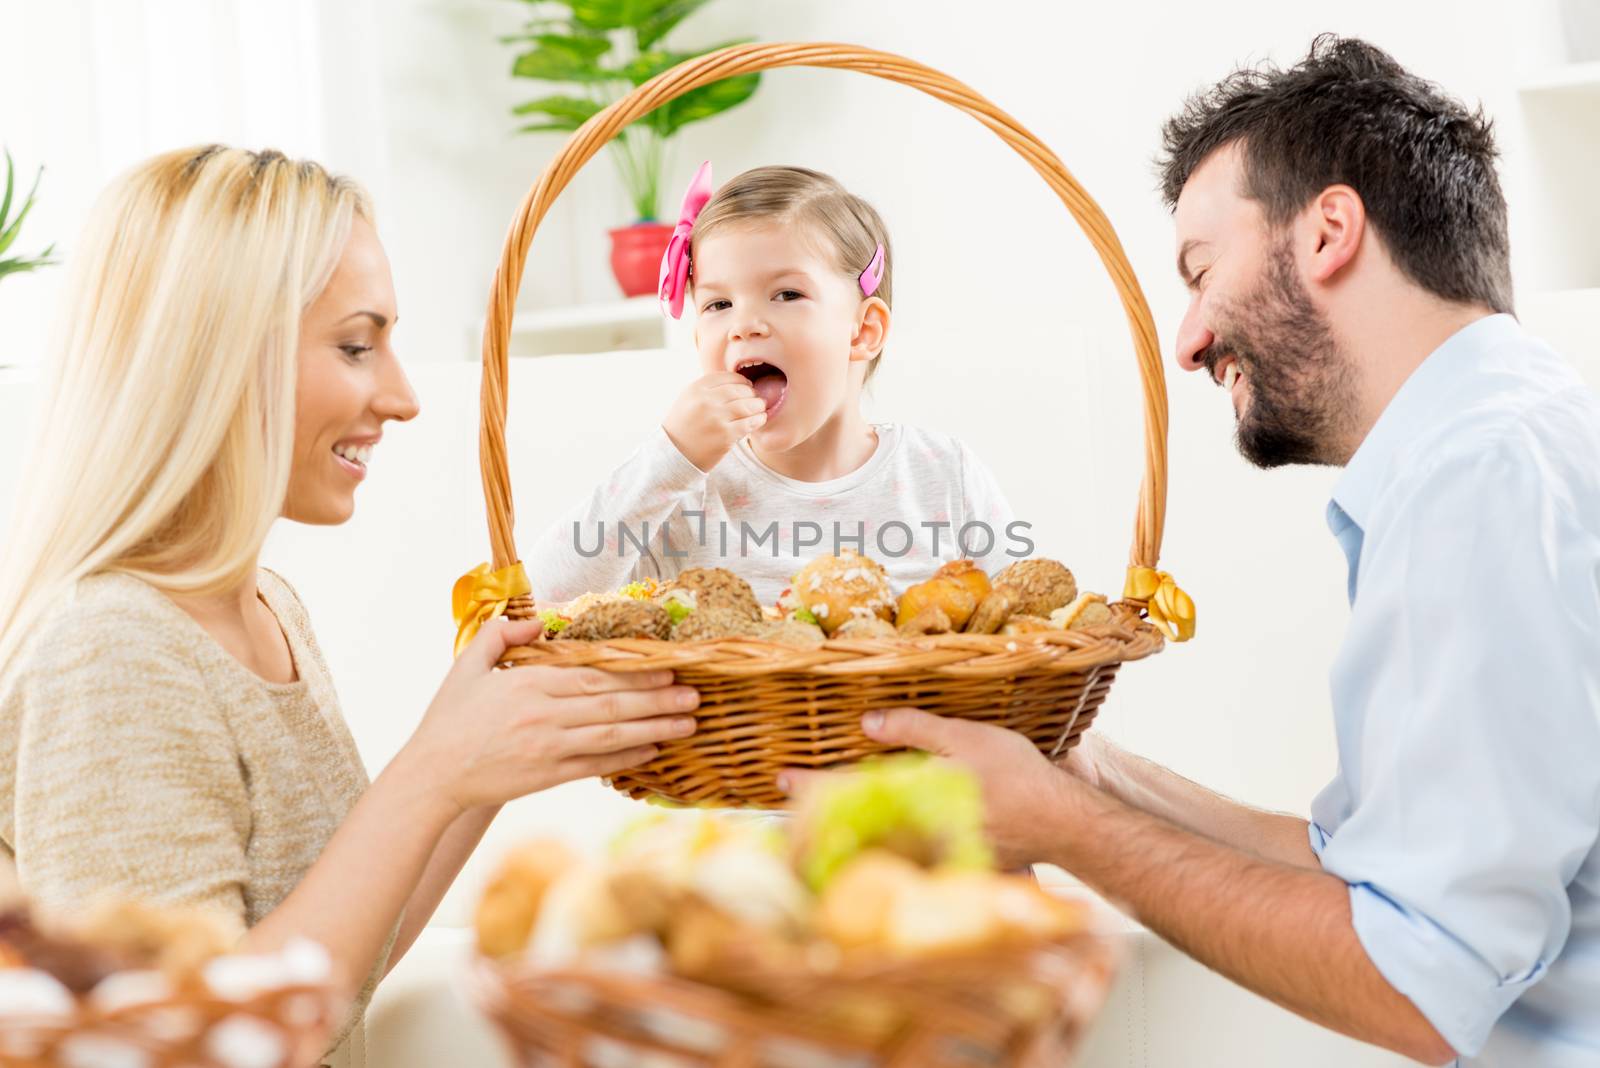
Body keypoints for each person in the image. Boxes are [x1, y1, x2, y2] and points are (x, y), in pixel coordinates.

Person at [788, 36, 1600, 1066]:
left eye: (1201, 270)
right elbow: (1362, 872)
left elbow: (1419, 983)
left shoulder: (1481, 476)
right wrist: (1083, 772)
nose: (1185, 340)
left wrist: (1058, 829)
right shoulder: (1497, 444)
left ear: (1329, 233)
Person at [0, 145, 699, 1066]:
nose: (403, 397)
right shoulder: (112, 653)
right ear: (215, 356)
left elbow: (335, 970)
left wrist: (483, 764)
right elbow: (180, 1049)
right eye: (356, 344)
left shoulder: (264, 607)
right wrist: (433, 773)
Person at [524, 164, 1024, 606]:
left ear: (863, 330)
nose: (745, 324)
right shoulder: (685, 495)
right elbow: (543, 599)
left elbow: (1033, 629)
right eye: (718, 305)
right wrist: (670, 457)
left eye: (786, 293)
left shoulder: (943, 476)